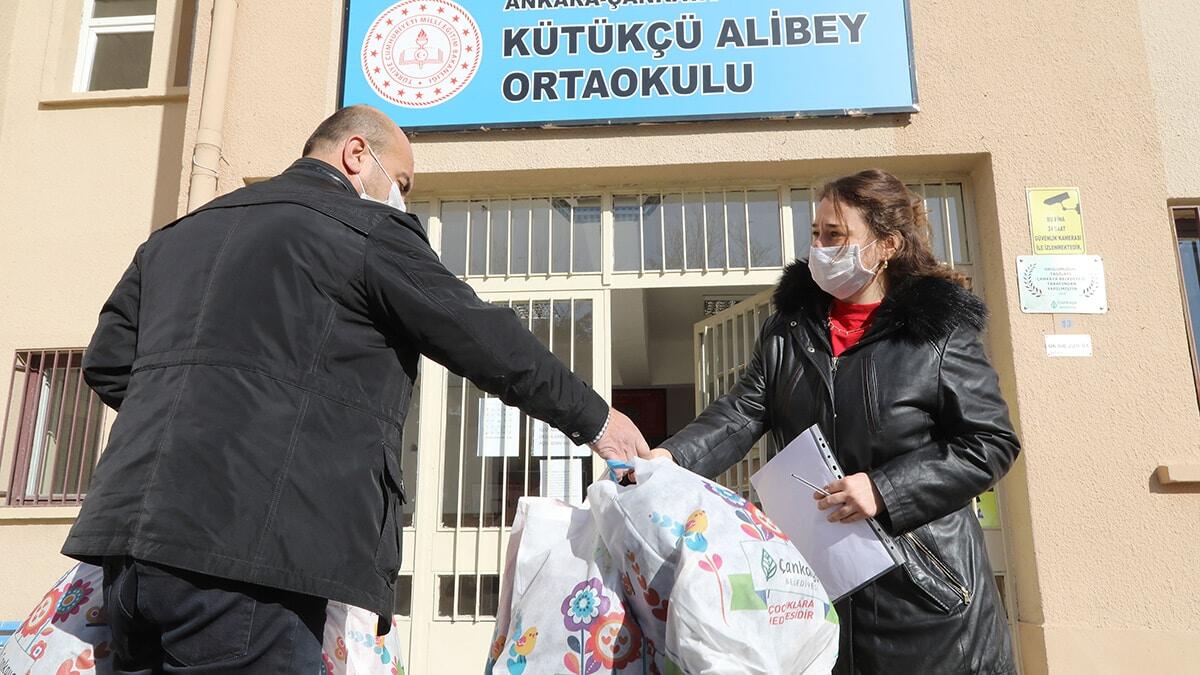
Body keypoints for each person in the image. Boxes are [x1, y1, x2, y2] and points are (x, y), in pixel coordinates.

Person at [63, 104, 648, 673]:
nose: (402, 199)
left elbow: (109, 364)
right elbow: (481, 336)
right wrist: (597, 420)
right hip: (250, 555)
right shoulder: (363, 230)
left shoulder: (174, 238)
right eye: (402, 183)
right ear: (356, 154)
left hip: (129, 552)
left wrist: (199, 417)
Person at [648, 169, 1020, 674]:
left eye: (836, 236)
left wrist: (886, 489)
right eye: (816, 234)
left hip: (926, 597)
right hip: (818, 590)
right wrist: (668, 460)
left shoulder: (937, 333)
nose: (820, 248)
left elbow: (990, 442)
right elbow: (742, 410)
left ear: (887, 245)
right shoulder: (789, 329)